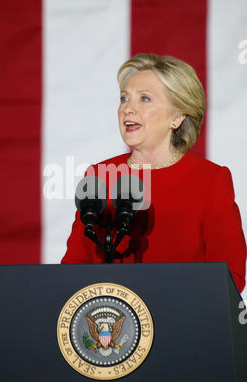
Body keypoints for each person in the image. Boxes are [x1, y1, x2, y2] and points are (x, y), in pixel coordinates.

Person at [61, 53, 246, 293]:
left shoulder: (210, 180)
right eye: (124, 98)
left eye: (145, 99)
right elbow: (73, 267)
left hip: (186, 321)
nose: (128, 108)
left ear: (177, 116)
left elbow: (231, 276)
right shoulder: (101, 175)